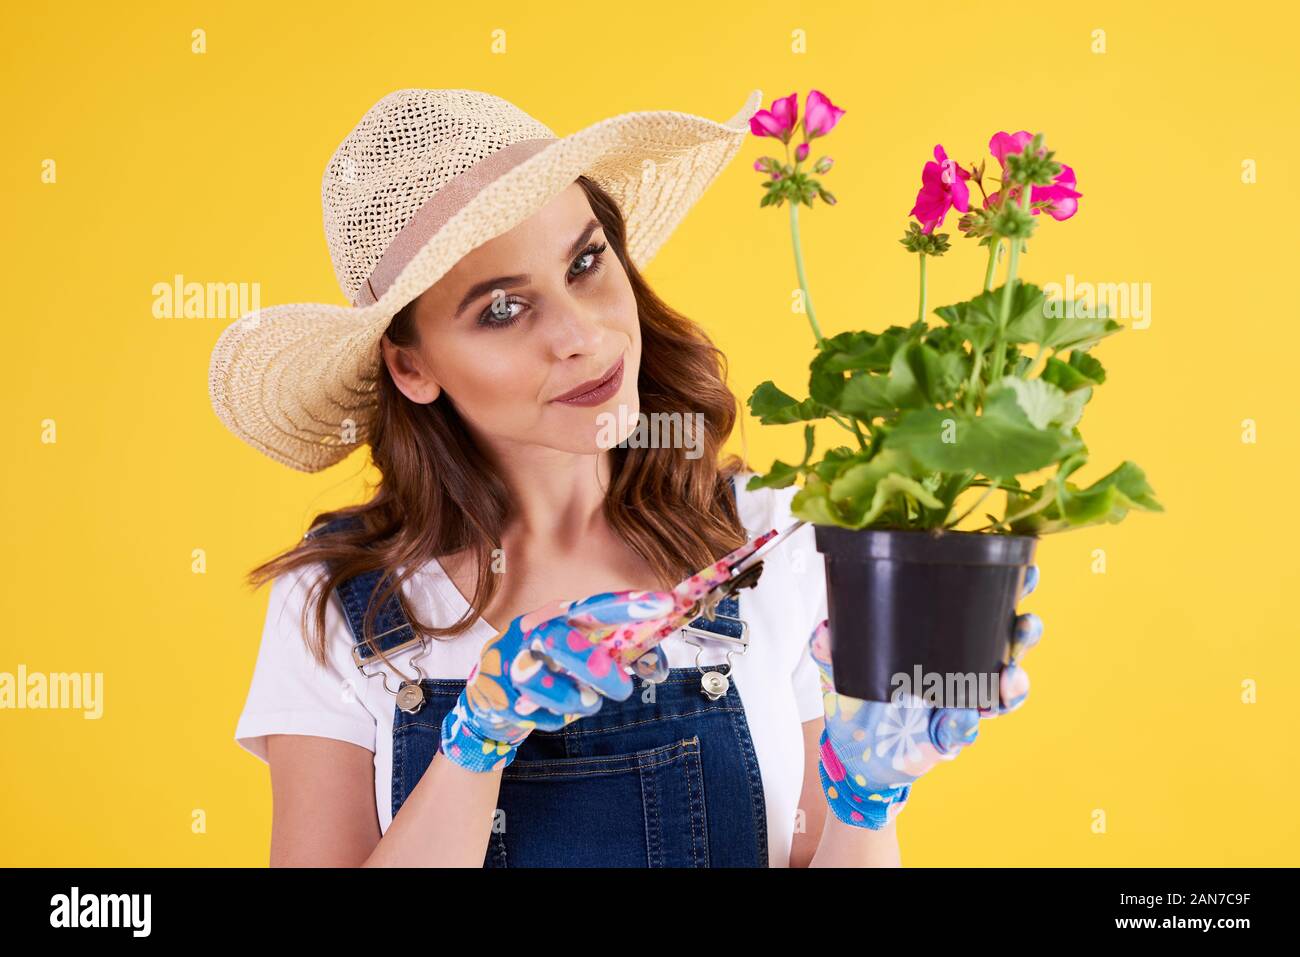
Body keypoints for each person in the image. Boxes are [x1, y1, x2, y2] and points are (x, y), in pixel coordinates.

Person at [210, 87, 1045, 868]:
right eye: (502, 308)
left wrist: (866, 800)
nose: (581, 334)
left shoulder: (768, 539)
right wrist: (475, 741)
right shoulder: (339, 604)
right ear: (410, 364)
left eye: (585, 263)